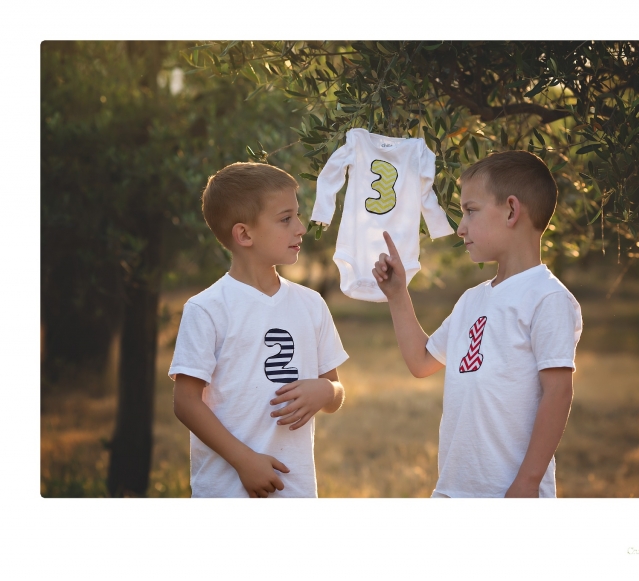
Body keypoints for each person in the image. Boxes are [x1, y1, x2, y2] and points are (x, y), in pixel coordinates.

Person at [372, 150, 582, 498]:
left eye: (470, 211)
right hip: (454, 491)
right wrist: (397, 294)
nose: (460, 227)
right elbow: (422, 362)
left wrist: (527, 483)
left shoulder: (547, 298)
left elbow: (558, 393)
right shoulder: (473, 299)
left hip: (510, 494)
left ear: (512, 210)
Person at [170, 162, 348, 498]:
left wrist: (327, 392)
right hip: (226, 491)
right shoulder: (207, 308)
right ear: (244, 234)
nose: (300, 227)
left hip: (295, 491)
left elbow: (335, 388)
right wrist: (244, 461)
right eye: (285, 219)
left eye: (297, 215)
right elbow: (186, 403)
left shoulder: (311, 305)